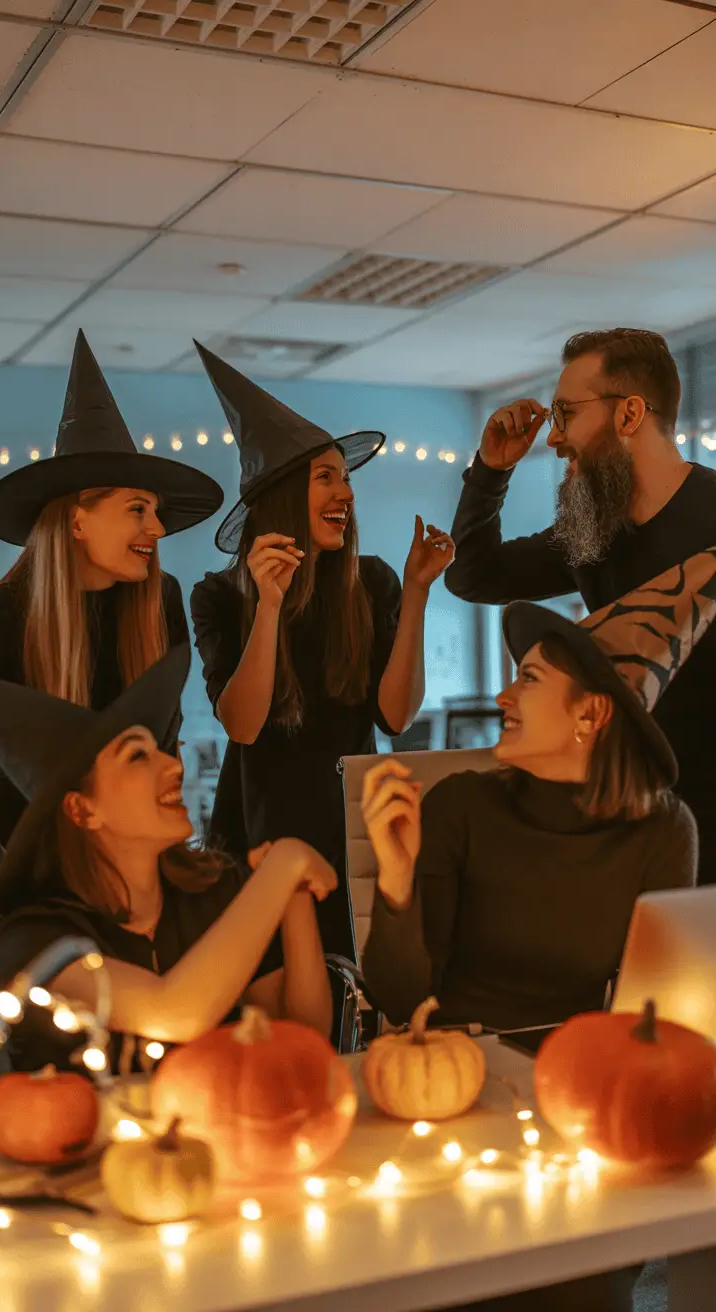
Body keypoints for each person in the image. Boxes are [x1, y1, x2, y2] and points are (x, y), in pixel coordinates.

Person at [362, 552, 716, 1312]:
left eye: (527, 679)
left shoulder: (662, 831)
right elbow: (400, 999)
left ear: (591, 714)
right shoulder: (460, 807)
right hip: (455, 1099)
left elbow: (657, 1014)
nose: (501, 694)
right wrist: (394, 886)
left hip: (584, 1112)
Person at [190, 343, 454, 962]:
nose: (347, 493)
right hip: (259, 827)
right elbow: (243, 723)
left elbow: (395, 717)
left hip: (353, 821)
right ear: (282, 496)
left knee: (353, 984)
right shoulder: (220, 596)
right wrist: (269, 605)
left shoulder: (376, 583)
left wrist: (417, 592)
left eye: (347, 477)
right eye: (326, 477)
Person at [444, 328, 716, 886]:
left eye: (566, 413)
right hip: (629, 825)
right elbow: (473, 574)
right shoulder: (592, 536)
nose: (554, 437)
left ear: (629, 414)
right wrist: (492, 470)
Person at [0, 647, 335, 1074]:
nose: (173, 766)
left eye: (162, 750)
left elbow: (306, 1036)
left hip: (214, 1133)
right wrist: (282, 869)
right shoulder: (36, 939)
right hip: (87, 1138)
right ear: (81, 810)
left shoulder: (214, 892)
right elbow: (174, 1011)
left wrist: (293, 895)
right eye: (137, 756)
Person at [0, 331, 223, 847]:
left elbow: (165, 750)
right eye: (138, 509)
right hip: (27, 859)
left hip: (136, 855)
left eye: (155, 512)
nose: (157, 529)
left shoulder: (162, 600)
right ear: (76, 521)